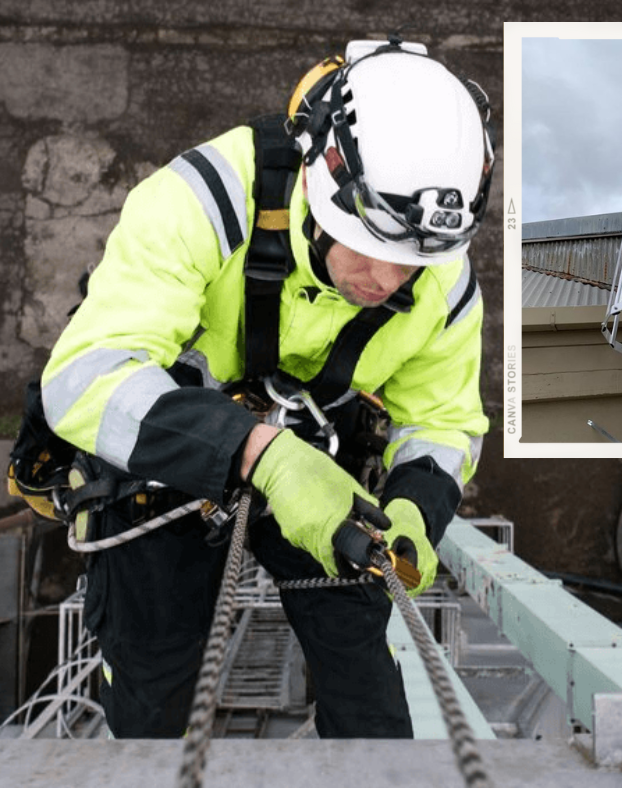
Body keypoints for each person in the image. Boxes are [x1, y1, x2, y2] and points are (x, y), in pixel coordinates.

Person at [39, 36, 494, 739]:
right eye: (372, 249)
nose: (387, 282)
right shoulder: (203, 200)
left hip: (319, 465)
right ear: (323, 186)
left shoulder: (444, 283)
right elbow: (82, 379)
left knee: (366, 683)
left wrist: (415, 509)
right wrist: (262, 456)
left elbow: (443, 419)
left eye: (409, 266)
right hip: (170, 452)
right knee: (152, 683)